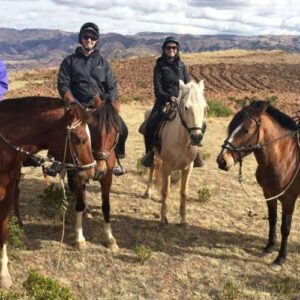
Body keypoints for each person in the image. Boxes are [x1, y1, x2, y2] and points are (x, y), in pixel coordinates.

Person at [57, 22, 128, 176]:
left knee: (122, 129)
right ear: (80, 38)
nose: (89, 40)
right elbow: (63, 85)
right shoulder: (69, 61)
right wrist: (73, 103)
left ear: (96, 40)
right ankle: (61, 161)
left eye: (92, 37)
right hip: (78, 108)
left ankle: (117, 161)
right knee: (64, 131)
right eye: (86, 37)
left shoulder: (103, 63)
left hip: (99, 108)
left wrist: (107, 102)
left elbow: (112, 86)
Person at [141, 36, 204, 167]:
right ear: (164, 49)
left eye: (174, 48)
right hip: (164, 101)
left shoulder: (181, 65)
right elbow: (158, 89)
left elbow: (188, 84)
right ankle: (150, 154)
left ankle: (196, 152)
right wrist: (169, 97)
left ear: (177, 49)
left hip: (181, 102)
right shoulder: (159, 65)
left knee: (200, 123)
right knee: (150, 125)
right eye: (168, 47)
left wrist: (191, 95)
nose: (171, 50)